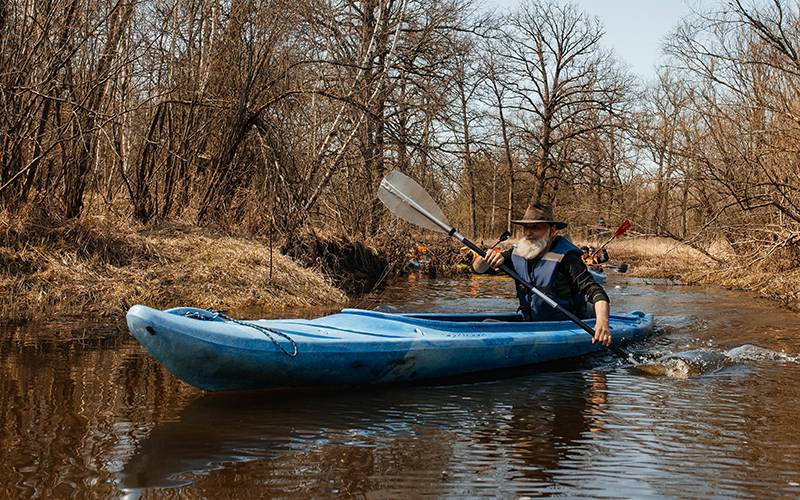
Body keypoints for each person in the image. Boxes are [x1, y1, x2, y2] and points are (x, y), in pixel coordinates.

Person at [472, 203, 612, 346]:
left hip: (567, 327)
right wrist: (485, 258)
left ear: (552, 231)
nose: (528, 232)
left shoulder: (568, 258)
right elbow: (478, 269)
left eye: (536, 227)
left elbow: (595, 291)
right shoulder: (516, 253)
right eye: (526, 227)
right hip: (532, 325)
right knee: (487, 323)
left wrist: (602, 322)